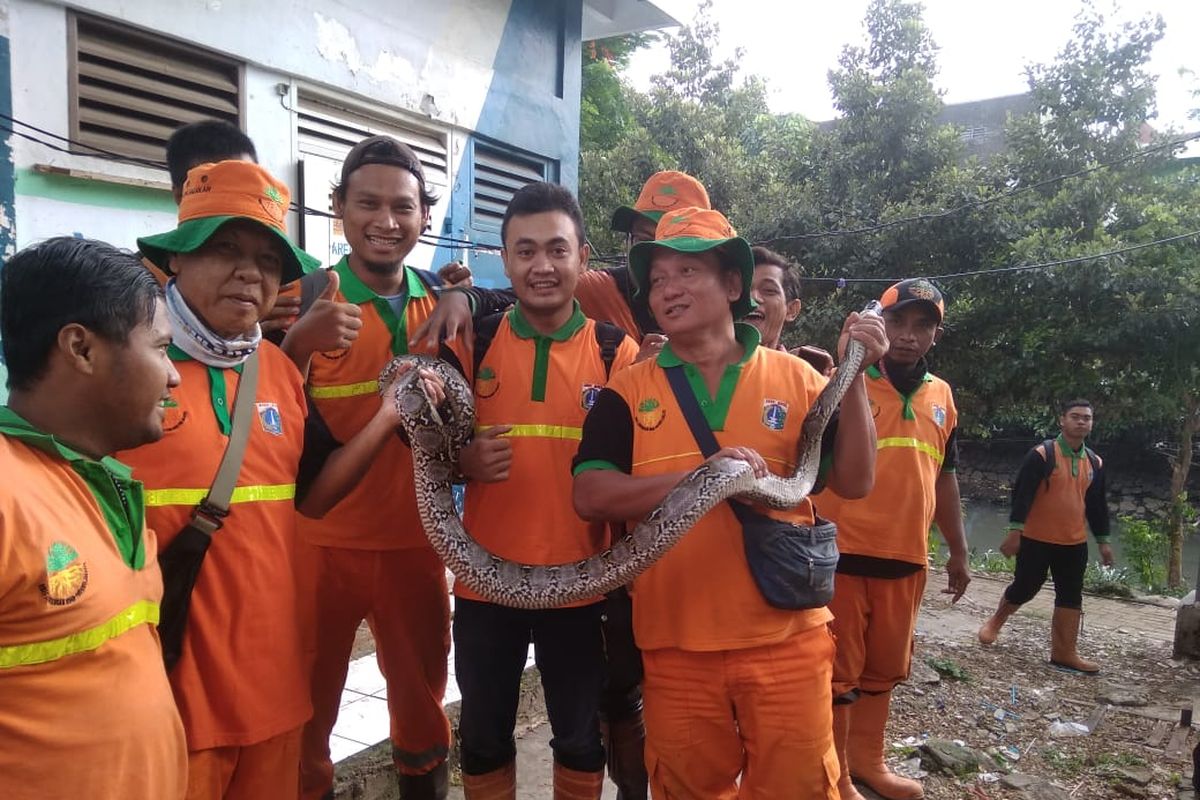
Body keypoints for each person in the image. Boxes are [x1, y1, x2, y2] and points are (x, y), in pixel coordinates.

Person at [572, 207, 887, 798]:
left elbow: (855, 480)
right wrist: (701, 476)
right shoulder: (628, 390)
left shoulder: (798, 379)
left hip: (788, 641)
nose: (668, 289)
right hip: (675, 647)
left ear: (733, 286)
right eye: (658, 279)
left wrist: (858, 374)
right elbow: (590, 494)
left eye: (686, 272)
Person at [119, 159, 324, 799]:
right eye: (224, 249)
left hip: (276, 698)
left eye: (268, 261)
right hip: (165, 701)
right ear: (176, 260)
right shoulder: (129, 369)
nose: (249, 272)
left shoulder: (284, 374)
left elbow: (313, 494)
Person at [282, 135, 470, 800]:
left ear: (425, 216)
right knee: (301, 720)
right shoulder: (304, 299)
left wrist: (465, 296)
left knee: (422, 720)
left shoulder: (448, 311)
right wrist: (297, 345)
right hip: (313, 549)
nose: (386, 222)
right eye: (367, 204)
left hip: (418, 549)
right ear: (338, 208)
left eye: (403, 207)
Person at [447, 182, 639, 799]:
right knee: (481, 736)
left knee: (580, 737)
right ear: (504, 260)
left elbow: (638, 465)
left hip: (584, 589)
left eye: (557, 249)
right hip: (484, 585)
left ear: (583, 257)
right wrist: (462, 458)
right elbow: (425, 447)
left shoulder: (617, 352)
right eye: (524, 251)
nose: (542, 266)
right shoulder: (473, 342)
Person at [0, 237, 187, 799]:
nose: (174, 377)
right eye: (160, 349)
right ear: (81, 349)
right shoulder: (8, 494)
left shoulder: (101, 481)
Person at [816, 278, 970, 800]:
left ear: (936, 335)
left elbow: (945, 476)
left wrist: (959, 550)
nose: (908, 336)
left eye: (922, 326)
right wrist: (848, 368)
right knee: (838, 676)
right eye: (897, 322)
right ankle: (834, 777)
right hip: (841, 555)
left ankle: (868, 762)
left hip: (907, 557)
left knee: (884, 670)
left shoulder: (943, 396)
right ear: (877, 325)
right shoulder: (839, 384)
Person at [978, 399, 1113, 674]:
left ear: (1091, 423)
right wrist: (1015, 531)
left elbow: (1097, 505)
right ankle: (996, 621)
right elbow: (1022, 495)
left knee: (1071, 596)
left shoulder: (1094, 462)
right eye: (1075, 416)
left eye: (1086, 418)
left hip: (1074, 542)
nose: (1081, 422)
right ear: (1062, 420)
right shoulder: (1042, 455)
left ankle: (1064, 653)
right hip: (1036, 538)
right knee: (1026, 586)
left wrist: (1103, 542)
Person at [746, 246, 835, 375]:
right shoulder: (709, 370)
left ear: (792, 310)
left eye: (769, 290)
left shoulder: (805, 377)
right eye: (743, 290)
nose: (753, 297)